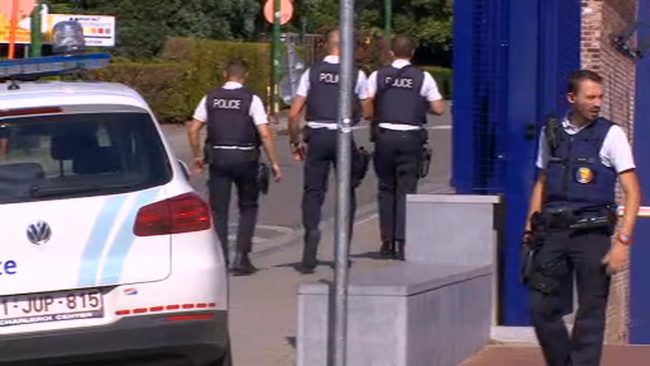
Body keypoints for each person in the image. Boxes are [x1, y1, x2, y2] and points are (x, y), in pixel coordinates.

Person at [523, 69, 641, 366]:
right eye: (591, 97)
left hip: (592, 235)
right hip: (552, 233)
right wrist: (529, 230)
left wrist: (622, 241)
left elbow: (632, 191)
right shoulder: (551, 132)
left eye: (600, 96)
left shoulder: (611, 134)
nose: (598, 102)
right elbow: (542, 183)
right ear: (571, 98)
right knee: (541, 306)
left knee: (590, 312)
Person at [287, 29, 372, 274]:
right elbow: (367, 112)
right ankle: (342, 251)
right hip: (343, 136)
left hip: (317, 135)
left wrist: (295, 142)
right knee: (347, 191)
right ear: (347, 47)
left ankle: (311, 238)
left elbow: (293, 114)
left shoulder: (311, 73)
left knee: (313, 191)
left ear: (327, 46)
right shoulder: (356, 73)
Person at [187, 59, 282, 276]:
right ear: (245, 76)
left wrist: (198, 156)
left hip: (218, 157)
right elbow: (265, 134)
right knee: (248, 206)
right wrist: (274, 162)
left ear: (224, 74)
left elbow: (193, 129)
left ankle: (221, 259)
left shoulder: (210, 97)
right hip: (245, 157)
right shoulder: (251, 99)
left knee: (218, 211)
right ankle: (242, 258)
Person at [366, 35, 444, 260]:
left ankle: (387, 241)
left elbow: (367, 102)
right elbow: (439, 108)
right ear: (412, 54)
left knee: (386, 188)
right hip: (410, 137)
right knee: (407, 190)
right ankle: (403, 241)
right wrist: (419, 106)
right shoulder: (423, 77)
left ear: (392, 52)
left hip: (384, 136)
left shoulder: (378, 75)